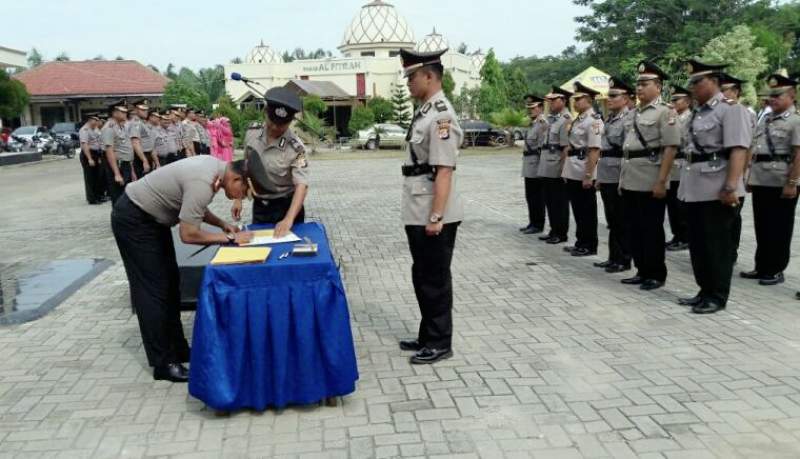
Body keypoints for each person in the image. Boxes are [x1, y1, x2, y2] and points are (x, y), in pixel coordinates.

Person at [111, 156, 254, 382]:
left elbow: (193, 208)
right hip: (134, 220)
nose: (241, 197)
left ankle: (178, 349)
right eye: (243, 190)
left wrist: (222, 224)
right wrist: (229, 237)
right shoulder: (203, 180)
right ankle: (164, 363)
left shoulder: (214, 171)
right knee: (153, 291)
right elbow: (188, 234)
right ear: (236, 178)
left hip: (151, 221)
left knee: (170, 284)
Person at [396, 48, 464, 365]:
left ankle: (440, 342)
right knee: (422, 274)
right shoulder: (425, 111)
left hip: (432, 211)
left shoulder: (441, 116)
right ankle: (427, 335)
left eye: (411, 76)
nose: (408, 82)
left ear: (429, 76)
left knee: (434, 278)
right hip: (418, 205)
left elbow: (444, 170)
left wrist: (436, 215)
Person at [677, 59, 753, 314]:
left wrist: (731, 187)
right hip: (695, 187)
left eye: (698, 82)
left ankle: (717, 296)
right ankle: (704, 290)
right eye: (692, 83)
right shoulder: (698, 112)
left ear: (715, 82)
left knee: (717, 246)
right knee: (699, 245)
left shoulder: (730, 110)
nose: (694, 87)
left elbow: (738, 150)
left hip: (717, 187)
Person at [619, 61, 679, 291]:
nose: (639, 88)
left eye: (645, 84)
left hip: (650, 178)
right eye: (638, 84)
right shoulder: (634, 113)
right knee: (634, 228)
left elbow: (670, 148)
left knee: (651, 229)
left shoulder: (665, 112)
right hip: (631, 177)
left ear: (659, 86)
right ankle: (642, 269)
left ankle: (655, 273)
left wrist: (662, 181)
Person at [741, 74, 800, 287]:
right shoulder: (765, 119)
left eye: (778, 96)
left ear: (792, 96)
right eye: (771, 96)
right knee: (762, 225)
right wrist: (749, 176)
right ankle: (762, 265)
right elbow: (753, 149)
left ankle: (776, 269)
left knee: (780, 228)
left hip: (781, 180)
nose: (772, 100)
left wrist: (792, 183)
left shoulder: (795, 121)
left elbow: (798, 155)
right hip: (761, 178)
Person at [231, 88, 309, 236]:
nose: (274, 128)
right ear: (265, 112)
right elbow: (245, 167)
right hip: (261, 206)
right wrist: (237, 199)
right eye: (272, 121)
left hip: (287, 206)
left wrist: (288, 219)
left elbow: (301, 186)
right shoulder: (251, 134)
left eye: (281, 125)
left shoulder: (297, 148)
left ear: (290, 121)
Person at [595, 77, 633, 273]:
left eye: (613, 96)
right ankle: (613, 257)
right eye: (608, 95)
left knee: (622, 220)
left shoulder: (629, 119)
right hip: (607, 173)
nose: (609, 99)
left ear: (625, 98)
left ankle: (624, 259)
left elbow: (627, 153)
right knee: (612, 219)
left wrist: (624, 179)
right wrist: (599, 177)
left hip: (619, 174)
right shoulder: (609, 118)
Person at [562, 82, 602, 257]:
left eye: (578, 99)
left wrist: (588, 175)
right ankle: (580, 241)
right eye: (574, 99)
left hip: (584, 169)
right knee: (577, 209)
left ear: (588, 100)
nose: (575, 103)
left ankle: (589, 244)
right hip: (573, 168)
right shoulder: (578, 120)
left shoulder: (594, 121)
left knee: (587, 210)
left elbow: (594, 150)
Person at [537, 86, 573, 245]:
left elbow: (566, 147)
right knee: (549, 201)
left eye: (554, 100)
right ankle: (553, 230)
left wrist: (564, 169)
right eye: (549, 100)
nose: (550, 103)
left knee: (560, 203)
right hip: (546, 166)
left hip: (557, 167)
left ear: (563, 101)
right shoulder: (551, 119)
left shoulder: (566, 119)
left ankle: (561, 233)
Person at [665, 85, 692, 252]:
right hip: (671, 166)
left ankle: (685, 237)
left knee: (681, 205)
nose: (672, 103)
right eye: (672, 99)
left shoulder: (689, 118)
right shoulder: (673, 117)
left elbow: (682, 139)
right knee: (672, 206)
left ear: (687, 102)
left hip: (683, 164)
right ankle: (677, 235)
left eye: (676, 100)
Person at [519, 95, 548, 235]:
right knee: (530, 195)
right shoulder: (533, 123)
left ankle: (538, 224)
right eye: (529, 108)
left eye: (533, 107)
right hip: (529, 164)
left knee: (537, 196)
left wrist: (543, 168)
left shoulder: (543, 124)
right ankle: (532, 222)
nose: (530, 110)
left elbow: (543, 148)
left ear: (541, 108)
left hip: (537, 164)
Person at [102, 105, 134, 203]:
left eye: (125, 112)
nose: (125, 114)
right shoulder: (109, 127)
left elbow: (126, 149)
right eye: (122, 112)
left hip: (125, 164)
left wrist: (131, 170)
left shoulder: (121, 126)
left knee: (126, 195)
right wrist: (116, 173)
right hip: (118, 165)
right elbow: (109, 151)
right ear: (114, 113)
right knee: (118, 196)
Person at [79, 114, 105, 204]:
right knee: (90, 177)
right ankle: (92, 199)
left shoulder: (96, 128)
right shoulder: (84, 130)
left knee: (98, 176)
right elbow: (84, 145)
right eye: (95, 120)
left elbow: (99, 141)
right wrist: (89, 158)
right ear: (90, 120)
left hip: (97, 154)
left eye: (98, 120)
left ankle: (98, 196)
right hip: (88, 154)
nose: (97, 122)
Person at [128, 102, 152, 180]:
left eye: (146, 110)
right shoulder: (135, 123)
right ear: (135, 110)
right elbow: (135, 143)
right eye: (142, 110)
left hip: (146, 155)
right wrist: (144, 160)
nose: (146, 112)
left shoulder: (141, 122)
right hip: (140, 157)